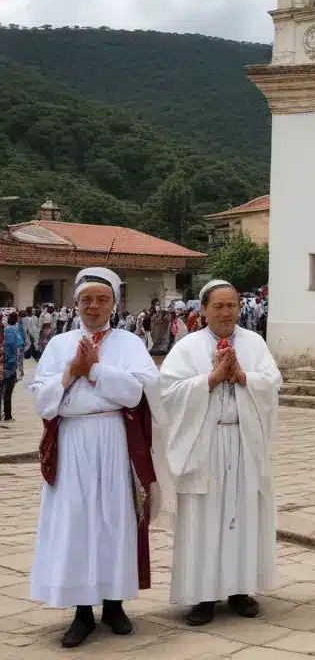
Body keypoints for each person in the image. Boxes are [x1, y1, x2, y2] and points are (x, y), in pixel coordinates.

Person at [28, 267, 164, 649]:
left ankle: (115, 604)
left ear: (114, 304)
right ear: (75, 303)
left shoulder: (130, 342)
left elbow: (141, 391)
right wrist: (72, 369)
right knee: (77, 520)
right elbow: (41, 397)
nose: (93, 306)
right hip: (73, 440)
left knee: (114, 517)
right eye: (86, 299)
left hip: (113, 439)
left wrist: (97, 371)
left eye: (102, 299)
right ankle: (82, 611)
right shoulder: (58, 344)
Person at [160, 279, 282, 626]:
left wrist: (243, 376)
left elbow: (273, 383)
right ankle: (202, 595)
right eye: (219, 306)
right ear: (204, 310)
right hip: (205, 444)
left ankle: (240, 589)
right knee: (204, 516)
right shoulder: (187, 348)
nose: (227, 312)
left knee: (243, 513)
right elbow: (168, 391)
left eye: (232, 306)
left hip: (243, 440)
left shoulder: (254, 343)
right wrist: (211, 378)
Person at [2, 314, 23, 423]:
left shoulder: (7, 330)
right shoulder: (11, 331)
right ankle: (7, 416)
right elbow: (15, 344)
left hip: (8, 364)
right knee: (7, 392)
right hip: (9, 365)